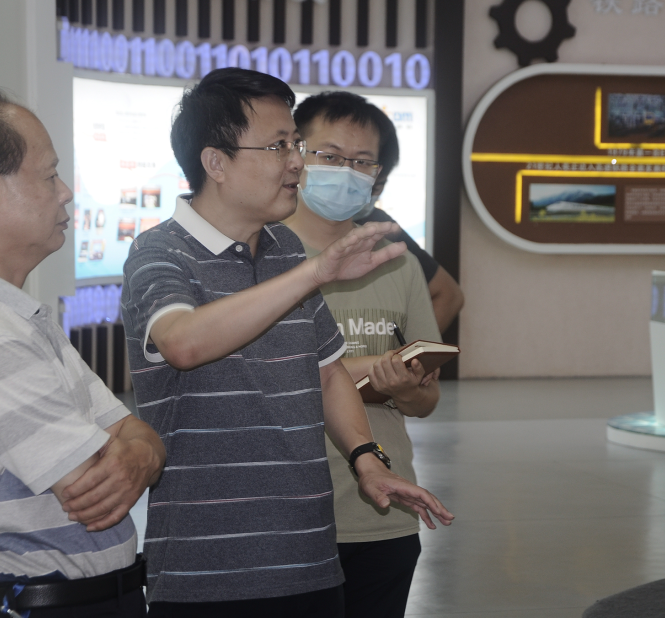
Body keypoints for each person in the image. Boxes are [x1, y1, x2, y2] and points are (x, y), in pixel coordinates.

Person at [119, 68, 454, 618]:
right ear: (216, 163)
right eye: (279, 146)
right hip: (208, 568)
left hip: (308, 558)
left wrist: (368, 460)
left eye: (295, 144)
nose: (296, 162)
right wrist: (316, 272)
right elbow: (183, 342)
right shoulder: (159, 252)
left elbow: (327, 371)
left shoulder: (284, 252)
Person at [0, 81, 165, 617]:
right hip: (45, 604)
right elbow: (95, 487)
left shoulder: (4, 313)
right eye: (49, 175)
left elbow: (132, 434)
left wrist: (143, 449)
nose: (65, 192)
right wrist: (143, 451)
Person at [285, 91, 441, 618]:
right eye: (329, 156)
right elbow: (274, 377)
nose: (344, 172)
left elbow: (426, 401)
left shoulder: (397, 263)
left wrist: (406, 389)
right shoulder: (262, 258)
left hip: (384, 512)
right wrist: (373, 371)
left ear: (379, 177)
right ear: (295, 155)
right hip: (286, 516)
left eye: (361, 162)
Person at [352, 108, 464, 333]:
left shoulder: (379, 225)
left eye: (376, 186)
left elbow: (449, 295)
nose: (365, 193)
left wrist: (407, 353)